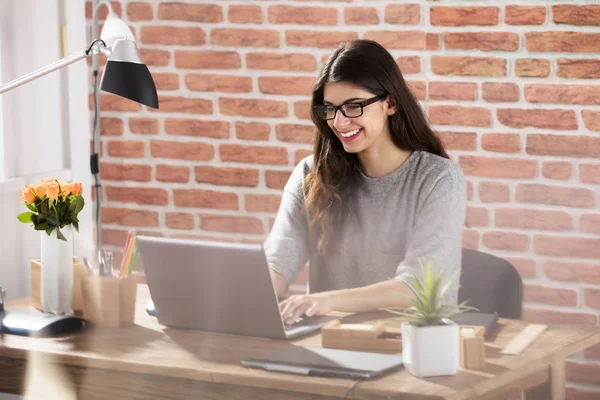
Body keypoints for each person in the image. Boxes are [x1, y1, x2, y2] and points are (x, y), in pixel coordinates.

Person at [264, 39, 467, 325]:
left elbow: (417, 286)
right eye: (330, 109)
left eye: (354, 106)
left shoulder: (438, 179)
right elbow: (278, 260)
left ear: (390, 103)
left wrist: (320, 301)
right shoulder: (312, 174)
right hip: (332, 341)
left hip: (413, 345)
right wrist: (246, 295)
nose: (339, 121)